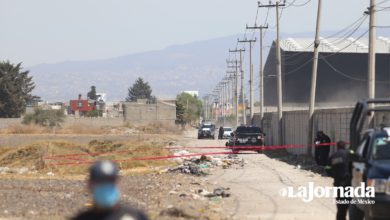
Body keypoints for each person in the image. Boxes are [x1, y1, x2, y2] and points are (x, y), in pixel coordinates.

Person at [72, 160, 149, 220]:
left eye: (110, 182)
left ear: (118, 184)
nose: (106, 186)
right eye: (100, 182)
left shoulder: (136, 217)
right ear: (89, 186)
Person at [325, 141, 352, 220]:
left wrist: (333, 175)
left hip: (338, 183)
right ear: (345, 147)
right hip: (349, 183)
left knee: (341, 208)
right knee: (351, 205)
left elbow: (327, 168)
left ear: (337, 147)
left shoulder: (333, 156)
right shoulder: (349, 154)